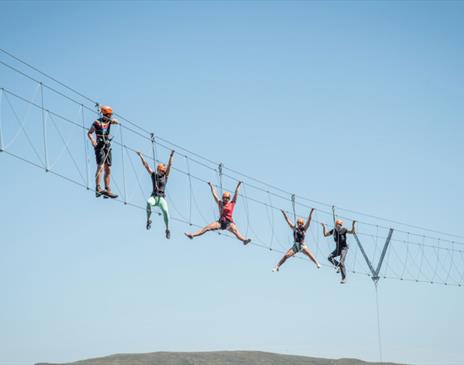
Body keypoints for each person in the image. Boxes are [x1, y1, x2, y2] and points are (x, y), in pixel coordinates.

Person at [184, 181, 251, 245]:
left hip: (229, 222)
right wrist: (211, 186)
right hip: (221, 222)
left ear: (229, 198)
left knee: (235, 231)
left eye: (227, 198)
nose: (225, 199)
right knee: (207, 228)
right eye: (224, 198)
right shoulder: (220, 203)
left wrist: (238, 185)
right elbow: (214, 194)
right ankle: (193, 235)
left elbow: (236, 193)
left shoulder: (232, 203)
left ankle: (244, 240)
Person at [137, 150, 174, 239]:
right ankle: (148, 220)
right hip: (154, 197)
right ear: (159, 169)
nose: (163, 171)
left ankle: (167, 229)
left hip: (161, 199)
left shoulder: (165, 177)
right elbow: (146, 166)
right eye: (161, 169)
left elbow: (170, 166)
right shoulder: (154, 175)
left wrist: (171, 156)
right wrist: (141, 155)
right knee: (149, 202)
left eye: (163, 170)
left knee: (165, 212)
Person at [87, 105, 119, 199]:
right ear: (104, 114)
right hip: (100, 145)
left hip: (107, 145)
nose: (110, 116)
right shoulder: (97, 122)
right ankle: (98, 188)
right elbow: (89, 133)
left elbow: (115, 121)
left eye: (110, 115)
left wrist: (114, 121)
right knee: (100, 166)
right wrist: (93, 141)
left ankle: (107, 189)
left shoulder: (109, 121)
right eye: (109, 114)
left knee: (108, 168)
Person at [321, 219, 356, 284]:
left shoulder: (344, 230)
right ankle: (338, 266)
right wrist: (324, 227)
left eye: (340, 225)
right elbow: (325, 235)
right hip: (337, 249)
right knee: (329, 257)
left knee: (341, 262)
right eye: (338, 225)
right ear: (336, 225)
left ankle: (344, 278)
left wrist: (353, 224)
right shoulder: (333, 231)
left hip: (344, 248)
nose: (339, 226)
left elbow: (352, 232)